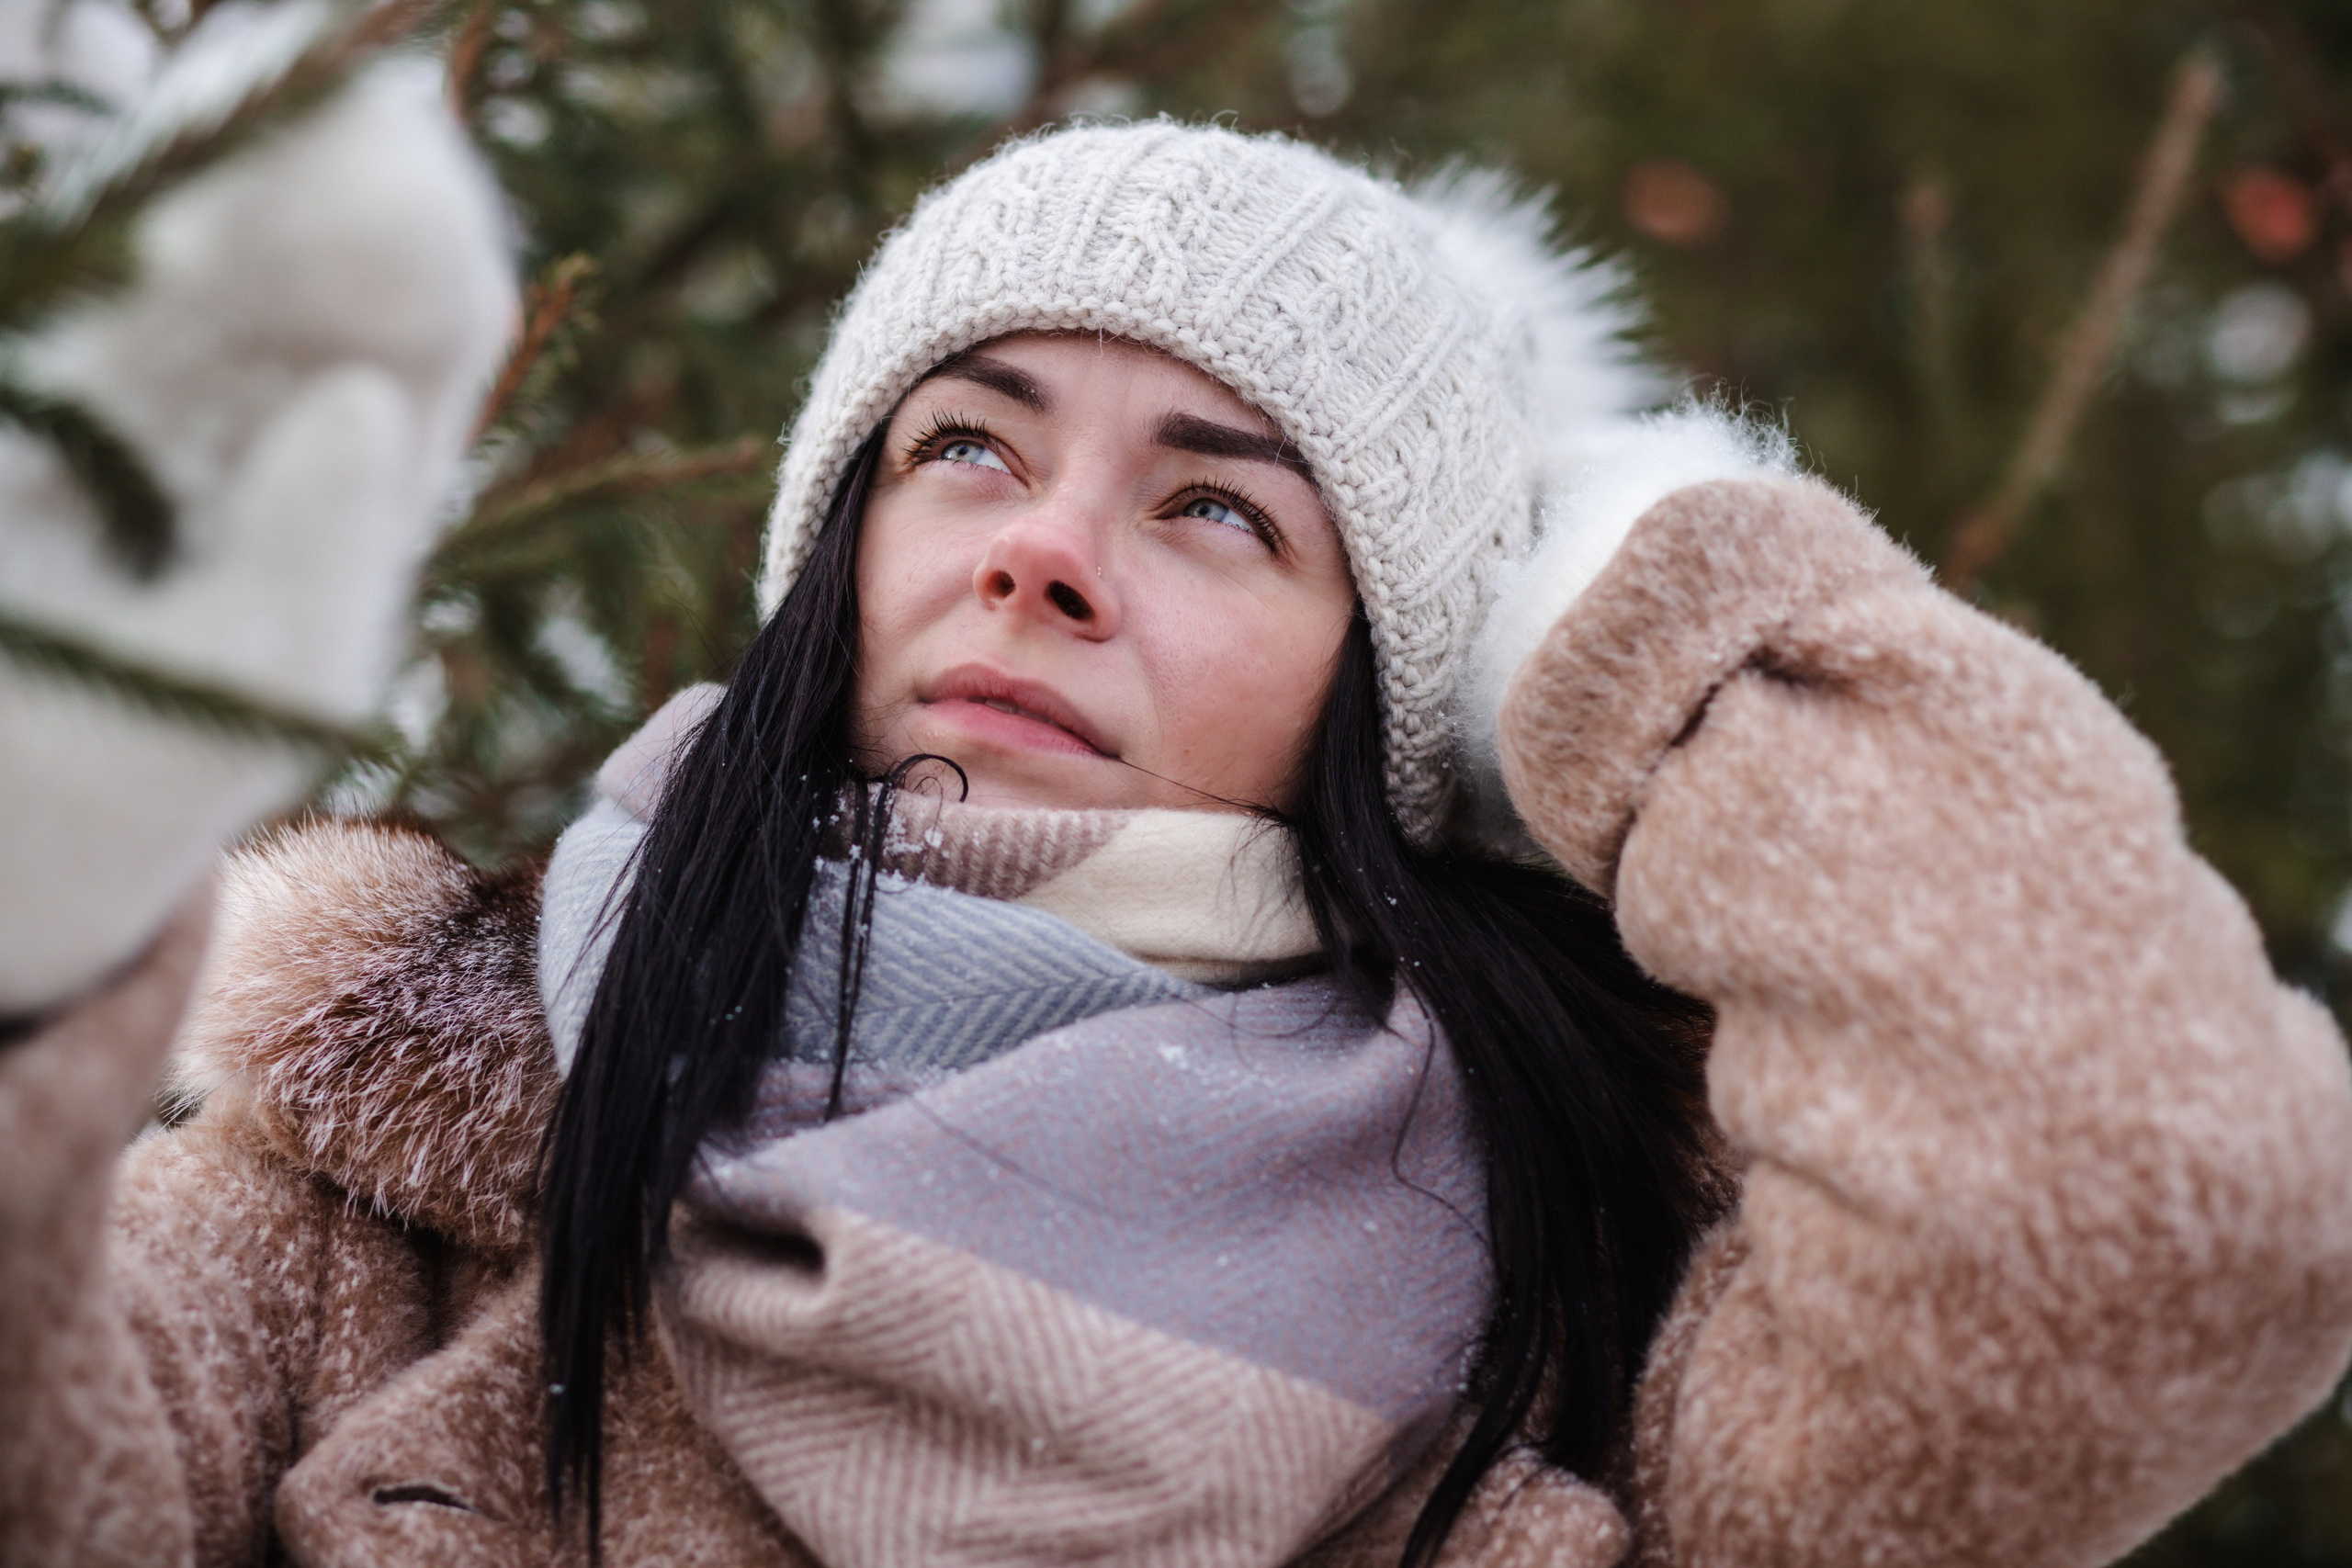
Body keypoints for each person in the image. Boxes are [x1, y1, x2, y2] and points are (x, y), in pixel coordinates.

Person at [5, 75, 2351, 1568]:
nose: (1041, 547)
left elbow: (2161, 1216)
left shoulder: (1578, 1310)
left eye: (1221, 512)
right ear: (837, 556)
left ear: (1397, 693)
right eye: (966, 445)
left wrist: (1663, 613)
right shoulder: (386, 1161)